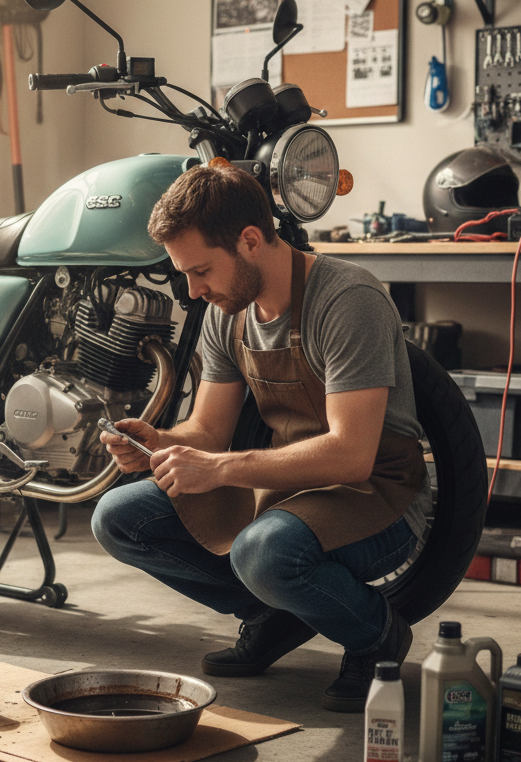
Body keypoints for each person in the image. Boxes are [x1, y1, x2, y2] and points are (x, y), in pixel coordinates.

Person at [92, 159, 432, 712]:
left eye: (200, 270)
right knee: (119, 518)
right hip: (286, 485)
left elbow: (351, 456)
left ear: (250, 240)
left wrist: (220, 469)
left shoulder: (348, 301)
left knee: (263, 552)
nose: (193, 290)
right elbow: (208, 430)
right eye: (184, 274)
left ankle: (376, 636)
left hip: (380, 496)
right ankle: (271, 615)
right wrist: (158, 442)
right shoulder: (227, 311)